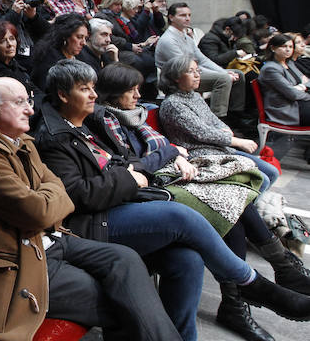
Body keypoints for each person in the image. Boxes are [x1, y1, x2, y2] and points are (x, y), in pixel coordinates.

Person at [35, 59, 310, 341]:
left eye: (94, 87)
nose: (93, 94)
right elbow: (79, 195)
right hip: (90, 223)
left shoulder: (92, 122)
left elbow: (130, 160)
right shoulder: (53, 138)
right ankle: (249, 282)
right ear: (63, 95)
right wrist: (130, 177)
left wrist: (134, 172)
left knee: (187, 259)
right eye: (85, 89)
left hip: (123, 201)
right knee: (180, 215)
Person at [0, 77, 181, 341]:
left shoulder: (19, 139)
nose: (30, 110)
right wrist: (51, 197)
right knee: (125, 302)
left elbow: (56, 186)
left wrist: (49, 196)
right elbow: (40, 212)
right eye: (20, 102)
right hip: (13, 258)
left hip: (46, 240)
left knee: (125, 260)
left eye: (29, 100)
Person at [158, 55, 280, 192]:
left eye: (197, 70)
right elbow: (202, 133)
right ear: (176, 77)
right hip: (201, 153)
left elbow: (214, 120)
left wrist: (225, 129)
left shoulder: (194, 95)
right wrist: (238, 141)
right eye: (191, 71)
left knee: (272, 172)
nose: (197, 75)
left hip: (218, 148)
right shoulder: (173, 104)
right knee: (262, 179)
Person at [155, 3, 248, 124]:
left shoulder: (186, 37)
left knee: (238, 74)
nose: (187, 18)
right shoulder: (168, 40)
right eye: (183, 15)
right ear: (171, 17)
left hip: (190, 72)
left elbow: (202, 59)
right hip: (177, 78)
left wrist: (224, 71)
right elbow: (185, 68)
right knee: (223, 79)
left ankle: (236, 116)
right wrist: (224, 75)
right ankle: (217, 120)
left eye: (189, 15)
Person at [0, 20, 40, 104]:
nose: (10, 44)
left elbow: (36, 93)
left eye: (12, 39)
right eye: (2, 41)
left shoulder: (15, 65)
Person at [258, 33, 310, 126]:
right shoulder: (270, 69)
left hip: (299, 103)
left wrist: (301, 86)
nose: (288, 50)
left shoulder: (289, 63)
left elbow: (307, 81)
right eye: (284, 46)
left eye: (290, 46)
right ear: (273, 48)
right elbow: (292, 94)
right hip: (287, 109)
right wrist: (303, 90)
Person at [31, 13, 89, 91]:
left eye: (85, 38)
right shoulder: (48, 59)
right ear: (65, 35)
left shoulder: (81, 56)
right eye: (79, 37)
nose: (84, 43)